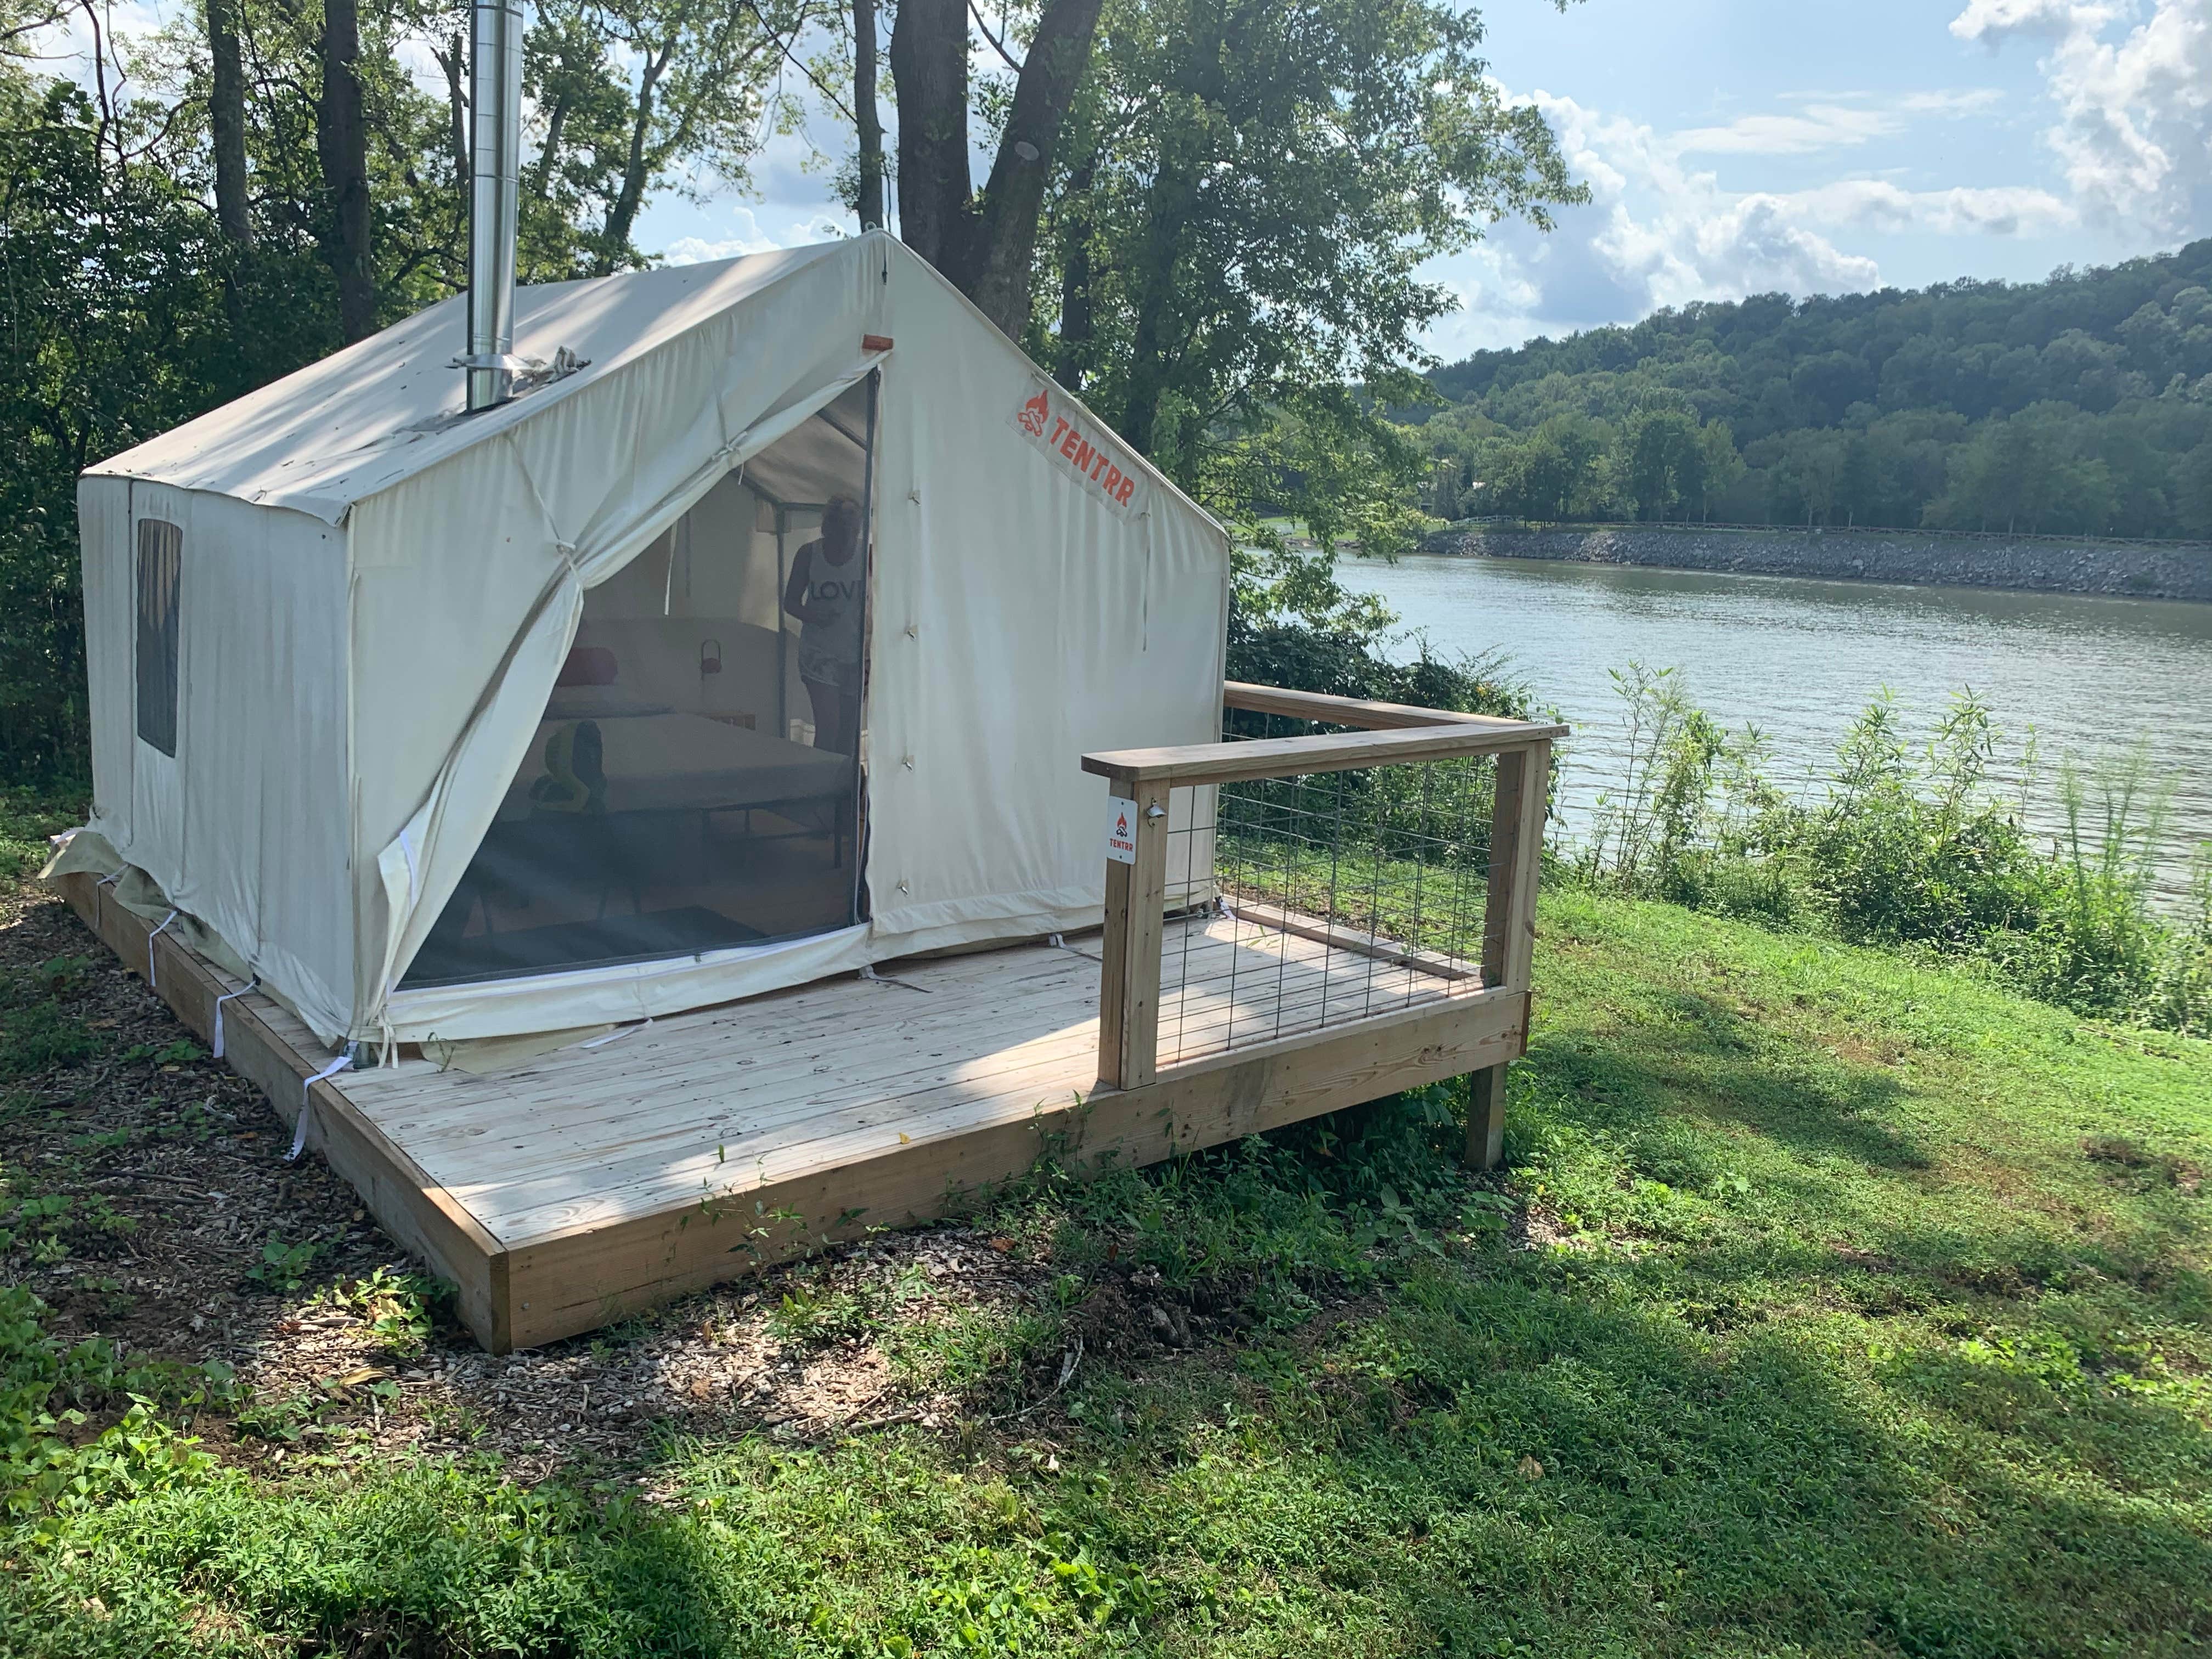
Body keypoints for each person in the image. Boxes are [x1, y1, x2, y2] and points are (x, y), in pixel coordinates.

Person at [781, 495, 865, 755]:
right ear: (827, 527)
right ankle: (821, 784)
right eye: (840, 524)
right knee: (828, 727)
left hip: (855, 653)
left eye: (852, 525)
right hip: (819, 654)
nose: (846, 531)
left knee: (850, 732)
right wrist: (813, 616)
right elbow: (791, 602)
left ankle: (845, 790)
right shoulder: (810, 554)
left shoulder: (866, 555)